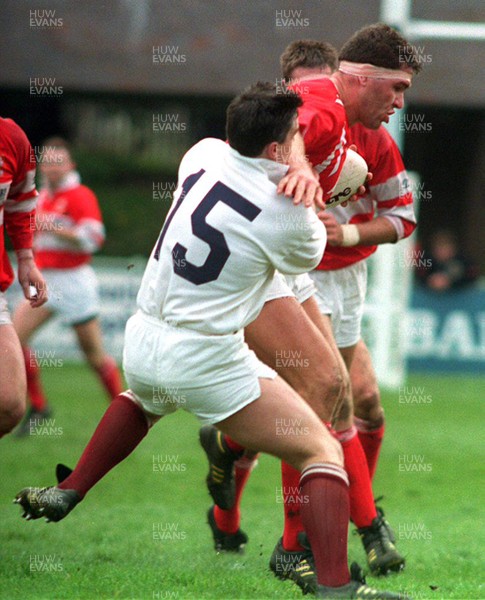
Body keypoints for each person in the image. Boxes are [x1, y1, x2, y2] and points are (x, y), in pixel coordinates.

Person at [15, 83, 408, 600]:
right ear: (277, 148)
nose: (302, 145)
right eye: (295, 137)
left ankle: (70, 490)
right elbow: (302, 253)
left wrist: (292, 166)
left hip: (144, 338)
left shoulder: (201, 154)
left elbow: (245, 178)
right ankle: (336, 586)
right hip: (203, 355)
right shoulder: (289, 217)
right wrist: (316, 188)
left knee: (143, 399)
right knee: (319, 449)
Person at [199, 25, 420, 591]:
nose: (400, 103)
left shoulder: (369, 137)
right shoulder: (308, 118)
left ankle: (233, 459)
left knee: (353, 400)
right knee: (321, 403)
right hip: (285, 276)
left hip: (342, 278)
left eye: (404, 93)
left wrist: (343, 235)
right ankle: (338, 534)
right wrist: (298, 169)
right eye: (396, 90)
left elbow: (403, 220)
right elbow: (293, 133)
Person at [12, 137, 122, 436]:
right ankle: (39, 406)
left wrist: (56, 228)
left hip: (74, 282)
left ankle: (125, 416)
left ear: (70, 165)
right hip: (46, 279)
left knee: (94, 356)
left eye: (58, 161)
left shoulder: (80, 195)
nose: (52, 166)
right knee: (12, 339)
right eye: (48, 161)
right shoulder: (40, 196)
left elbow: (94, 238)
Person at [0, 117, 48, 438]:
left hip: (74, 284)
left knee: (9, 404)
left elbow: (21, 199)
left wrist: (26, 257)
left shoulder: (11, 137)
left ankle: (40, 406)